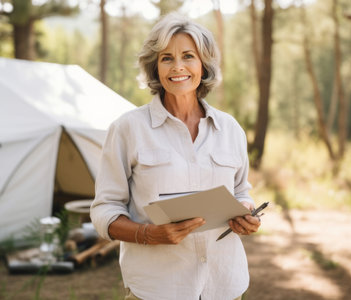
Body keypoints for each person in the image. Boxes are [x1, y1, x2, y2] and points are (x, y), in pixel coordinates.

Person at [90, 12, 261, 300]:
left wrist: (247, 212)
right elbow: (104, 210)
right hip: (157, 289)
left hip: (225, 285)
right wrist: (148, 234)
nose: (178, 67)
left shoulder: (230, 128)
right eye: (166, 58)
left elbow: (241, 189)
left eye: (188, 56)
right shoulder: (128, 128)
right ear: (155, 68)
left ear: (203, 64)